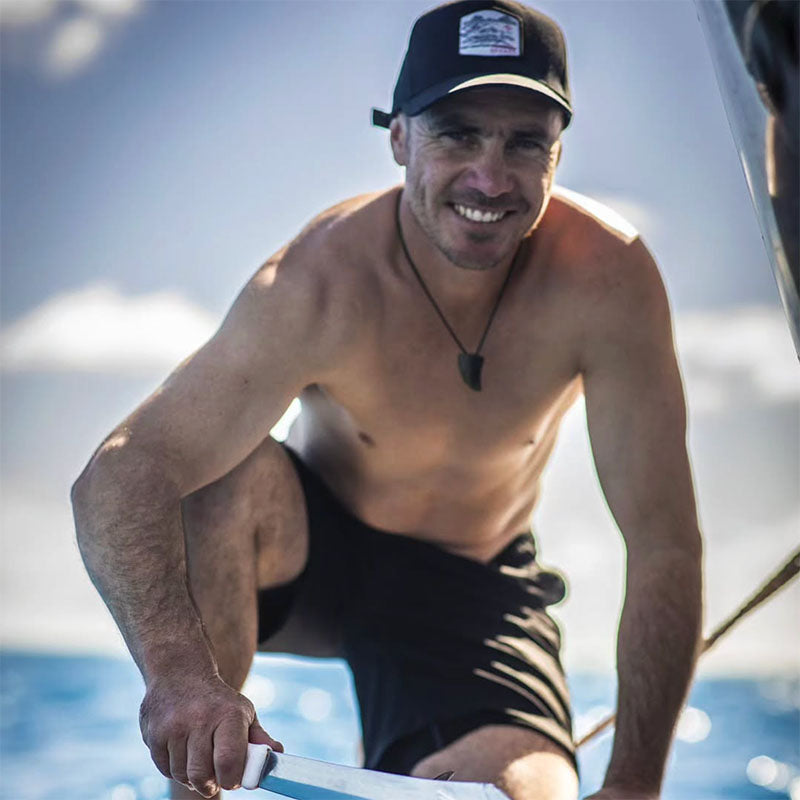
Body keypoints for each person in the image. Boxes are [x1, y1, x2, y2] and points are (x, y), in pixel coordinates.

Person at [71, 2, 703, 799]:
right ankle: (198, 791)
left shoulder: (609, 281)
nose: (490, 175)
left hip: (473, 589)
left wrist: (635, 783)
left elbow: (663, 545)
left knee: (524, 795)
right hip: (311, 557)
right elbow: (119, 477)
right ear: (399, 138)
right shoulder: (318, 280)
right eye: (458, 133)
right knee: (223, 472)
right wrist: (180, 679)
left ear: (557, 155)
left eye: (524, 143)